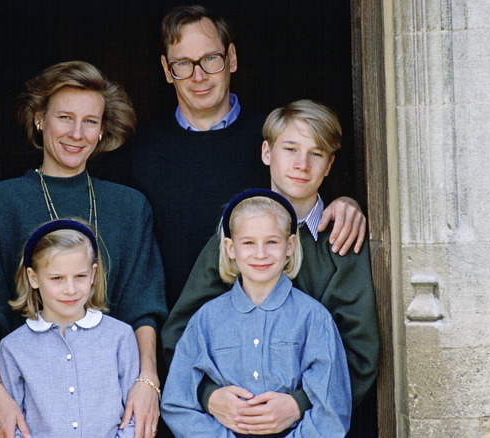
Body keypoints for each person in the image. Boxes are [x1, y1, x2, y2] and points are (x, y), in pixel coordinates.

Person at [0, 5, 368, 312]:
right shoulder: (137, 150)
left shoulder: (273, 140)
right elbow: (65, 186)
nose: (199, 75)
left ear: (232, 58)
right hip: (168, 337)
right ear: (166, 71)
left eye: (210, 59)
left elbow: (309, 189)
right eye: (183, 64)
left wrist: (347, 202)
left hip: (260, 331)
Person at [0, 61, 167, 438]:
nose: (77, 133)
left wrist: (147, 381)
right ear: (39, 119)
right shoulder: (0, 204)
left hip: (112, 410)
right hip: (33, 410)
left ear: (103, 130)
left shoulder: (130, 207)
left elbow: (143, 307)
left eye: (90, 121)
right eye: (64, 117)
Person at [161, 100, 378, 435]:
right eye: (290, 149)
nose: (301, 164)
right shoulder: (236, 234)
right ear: (267, 152)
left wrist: (299, 403)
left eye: (316, 153)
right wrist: (208, 396)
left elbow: (359, 354)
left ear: (329, 165)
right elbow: (184, 333)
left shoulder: (342, 238)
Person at [161, 189, 351, 437]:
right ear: (230, 248)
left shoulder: (314, 318)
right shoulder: (206, 320)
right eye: (248, 242)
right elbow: (177, 403)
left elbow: (332, 410)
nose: (260, 254)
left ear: (290, 245)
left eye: (272, 242)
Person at [0, 219, 140, 438]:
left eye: (80, 276)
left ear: (93, 274)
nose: (70, 289)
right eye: (57, 278)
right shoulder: (13, 347)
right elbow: (12, 423)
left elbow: (133, 416)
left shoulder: (120, 337)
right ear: (33, 278)